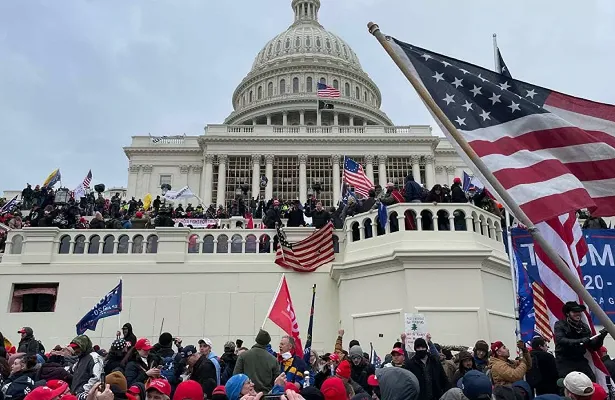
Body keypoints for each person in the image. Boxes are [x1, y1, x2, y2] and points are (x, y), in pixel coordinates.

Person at [554, 301, 606, 380]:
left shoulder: (584, 327)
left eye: (579, 312)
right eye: (574, 312)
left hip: (580, 360)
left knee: (591, 380)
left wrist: (601, 337)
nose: (578, 314)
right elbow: (560, 340)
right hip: (564, 361)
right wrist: (580, 341)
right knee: (568, 383)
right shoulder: (560, 324)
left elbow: (593, 347)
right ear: (568, 313)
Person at [234, 329, 279, 393]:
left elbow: (236, 377)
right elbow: (277, 381)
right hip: (266, 395)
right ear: (267, 343)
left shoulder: (243, 356)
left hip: (247, 395)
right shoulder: (273, 359)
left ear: (256, 340)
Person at [66, 335, 104, 399]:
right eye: (74, 348)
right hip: (76, 393)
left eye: (77, 348)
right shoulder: (81, 357)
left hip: (86, 395)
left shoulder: (94, 358)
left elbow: (96, 378)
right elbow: (73, 369)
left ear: (83, 346)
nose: (75, 350)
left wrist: (83, 390)